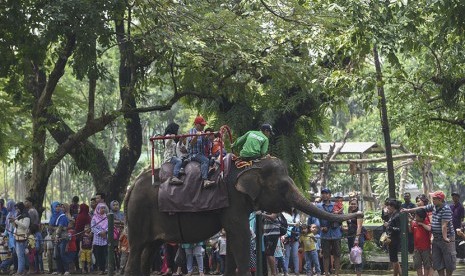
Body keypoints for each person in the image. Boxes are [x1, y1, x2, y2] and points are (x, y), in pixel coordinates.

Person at [402, 190, 456, 276]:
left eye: (434, 198)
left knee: (449, 261)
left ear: (440, 199)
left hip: (446, 239)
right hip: (436, 238)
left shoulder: (446, 209)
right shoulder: (434, 206)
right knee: (437, 262)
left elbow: (444, 225)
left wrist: (445, 237)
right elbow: (421, 208)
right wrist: (408, 210)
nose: (432, 200)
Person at [317, 188, 342, 276]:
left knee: (337, 254)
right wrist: (321, 227)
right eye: (323, 193)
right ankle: (326, 273)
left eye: (326, 193)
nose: (324, 195)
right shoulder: (318, 206)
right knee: (325, 254)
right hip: (325, 234)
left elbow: (341, 219)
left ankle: (337, 273)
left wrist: (337, 216)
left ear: (330, 195)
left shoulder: (336, 205)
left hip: (336, 232)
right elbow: (316, 219)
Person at [187, 115, 215, 188]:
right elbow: (191, 144)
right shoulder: (191, 131)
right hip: (194, 154)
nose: (203, 127)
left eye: (203, 125)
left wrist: (206, 137)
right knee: (205, 160)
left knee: (213, 158)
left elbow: (206, 144)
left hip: (201, 154)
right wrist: (196, 136)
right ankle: (205, 180)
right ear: (196, 124)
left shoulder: (202, 132)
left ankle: (209, 169)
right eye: (201, 125)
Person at [409, 209, 432, 276]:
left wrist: (422, 224)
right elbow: (411, 231)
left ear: (421, 217)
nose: (415, 217)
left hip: (426, 248)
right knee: (418, 265)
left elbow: (429, 228)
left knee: (427, 265)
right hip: (417, 248)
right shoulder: (414, 223)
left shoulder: (426, 222)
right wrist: (410, 223)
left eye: (417, 216)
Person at [10, 202, 30, 275]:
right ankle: (24, 270)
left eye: (17, 208)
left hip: (22, 238)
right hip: (17, 237)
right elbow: (17, 227)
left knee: (20, 256)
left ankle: (19, 272)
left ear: (21, 208)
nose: (17, 210)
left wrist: (15, 221)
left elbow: (25, 226)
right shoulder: (19, 216)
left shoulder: (26, 216)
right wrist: (12, 222)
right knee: (21, 255)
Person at [346, 198, 365, 276]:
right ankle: (357, 273)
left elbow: (359, 227)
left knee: (358, 256)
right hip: (350, 237)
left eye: (354, 204)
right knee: (354, 256)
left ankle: (359, 274)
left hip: (357, 237)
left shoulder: (359, 213)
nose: (353, 205)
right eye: (351, 203)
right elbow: (349, 225)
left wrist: (356, 239)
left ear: (357, 205)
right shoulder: (348, 213)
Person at [385, 199, 402, 276]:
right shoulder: (392, 215)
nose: (387, 208)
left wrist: (389, 226)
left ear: (393, 207)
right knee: (394, 259)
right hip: (391, 239)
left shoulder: (397, 216)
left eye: (388, 206)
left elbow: (399, 229)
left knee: (394, 259)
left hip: (395, 240)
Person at [91, 203, 108, 275]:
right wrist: (100, 233)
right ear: (98, 209)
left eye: (104, 208)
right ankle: (101, 269)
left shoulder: (106, 217)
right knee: (99, 255)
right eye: (101, 208)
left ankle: (105, 269)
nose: (103, 209)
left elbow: (109, 225)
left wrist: (105, 231)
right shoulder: (94, 218)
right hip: (98, 239)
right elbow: (92, 227)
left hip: (105, 239)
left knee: (105, 255)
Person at [283, 208, 301, 276]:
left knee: (295, 254)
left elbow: (297, 223)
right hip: (286, 236)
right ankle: (285, 271)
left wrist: (289, 224)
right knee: (286, 254)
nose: (291, 207)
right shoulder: (284, 214)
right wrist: (293, 224)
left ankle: (297, 271)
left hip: (295, 236)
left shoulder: (297, 214)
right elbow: (283, 223)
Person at [75, 203, 91, 273]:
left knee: (79, 252)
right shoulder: (88, 217)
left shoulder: (79, 216)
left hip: (79, 238)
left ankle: (80, 268)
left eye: (79, 208)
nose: (79, 209)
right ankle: (88, 269)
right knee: (88, 255)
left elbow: (77, 228)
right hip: (88, 238)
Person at [450, 192, 464, 261]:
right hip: (451, 228)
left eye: (455, 196)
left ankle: (459, 257)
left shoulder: (461, 207)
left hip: (457, 228)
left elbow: (462, 219)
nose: (454, 198)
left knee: (458, 242)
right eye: (453, 196)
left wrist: (461, 228)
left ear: (458, 198)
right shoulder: (450, 206)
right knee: (452, 241)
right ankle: (453, 256)